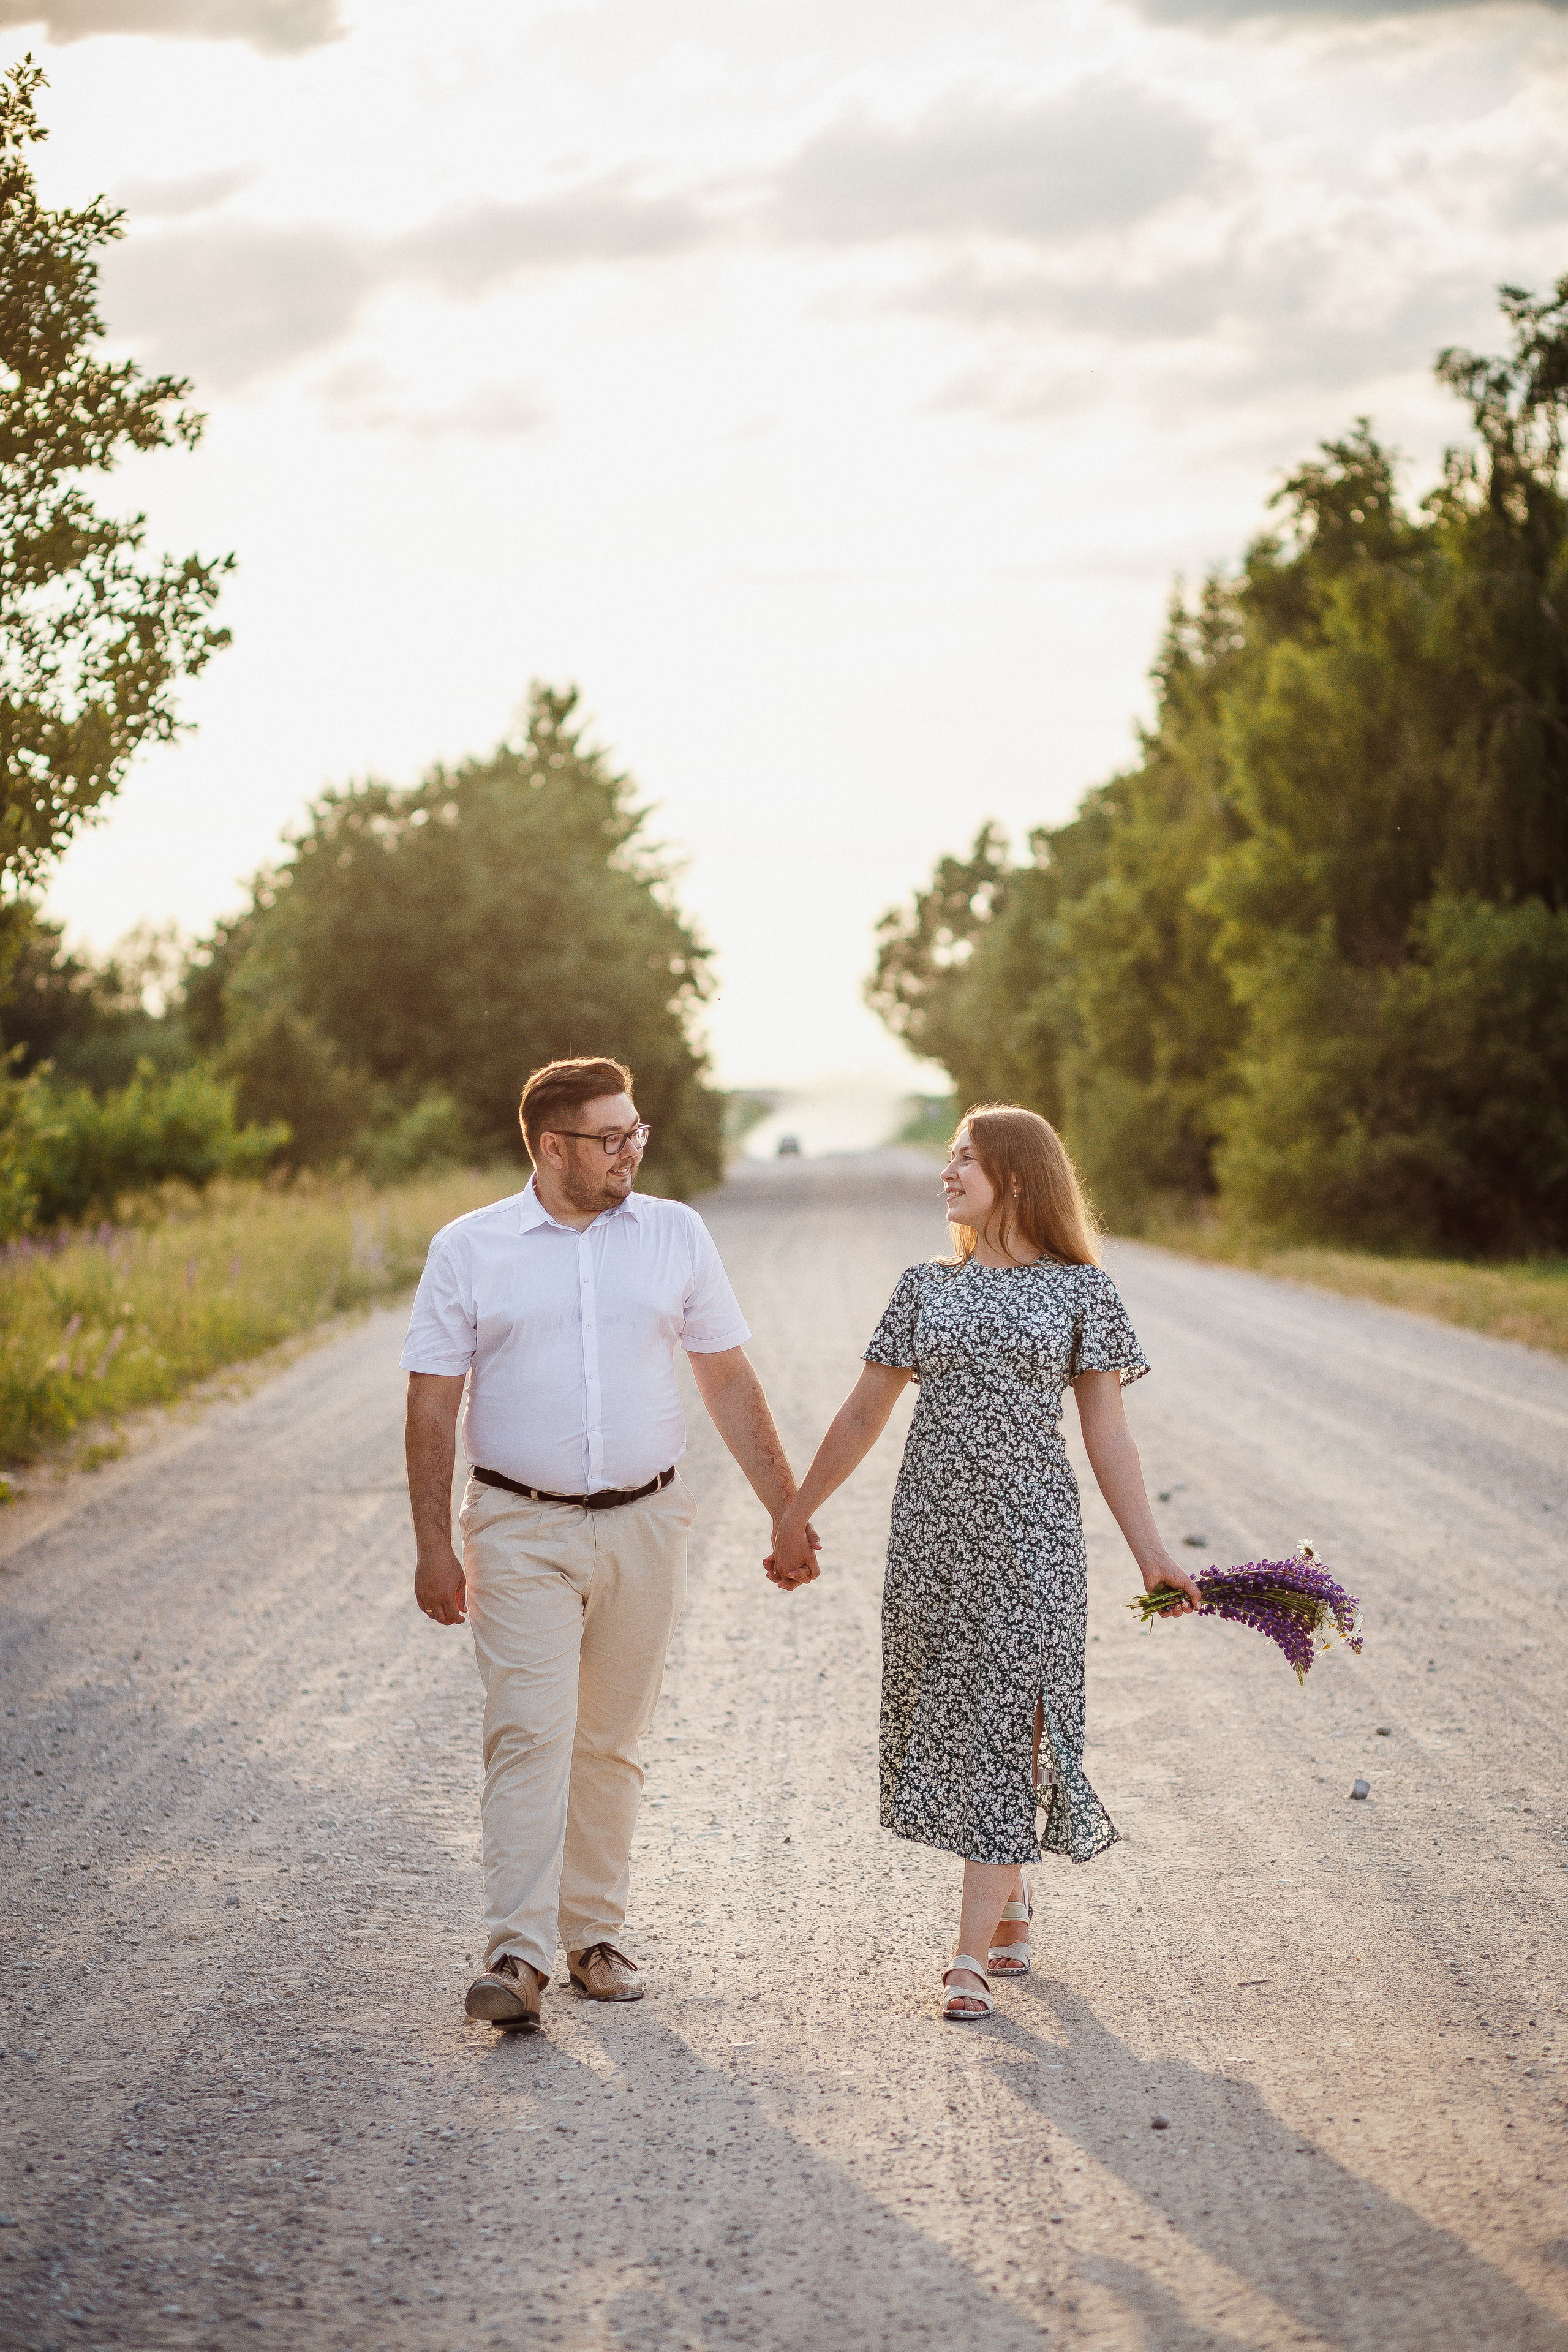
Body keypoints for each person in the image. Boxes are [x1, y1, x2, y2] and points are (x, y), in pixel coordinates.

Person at [767, 1104, 1200, 2021]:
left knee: (1008, 1720)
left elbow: (1110, 1436)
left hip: (1034, 1535)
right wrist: (797, 1512)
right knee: (959, 1715)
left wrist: (1152, 1553)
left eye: (965, 1158)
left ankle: (965, 1956)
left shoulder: (1084, 1292)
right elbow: (860, 1414)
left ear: (1017, 1174)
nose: (947, 1172)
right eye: (949, 1156)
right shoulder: (925, 1286)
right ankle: (1011, 1894)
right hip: (933, 1535)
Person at [402, 1055, 809, 2032]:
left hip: (647, 1521)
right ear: (550, 1147)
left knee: (610, 1742)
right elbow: (431, 1402)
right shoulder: (469, 1248)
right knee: (527, 1733)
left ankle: (593, 1939)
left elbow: (725, 1379)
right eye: (610, 1136)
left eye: (638, 1133)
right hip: (516, 1521)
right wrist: (432, 1546)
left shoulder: (676, 1233)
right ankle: (517, 1953)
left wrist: (786, 1509)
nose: (632, 1149)